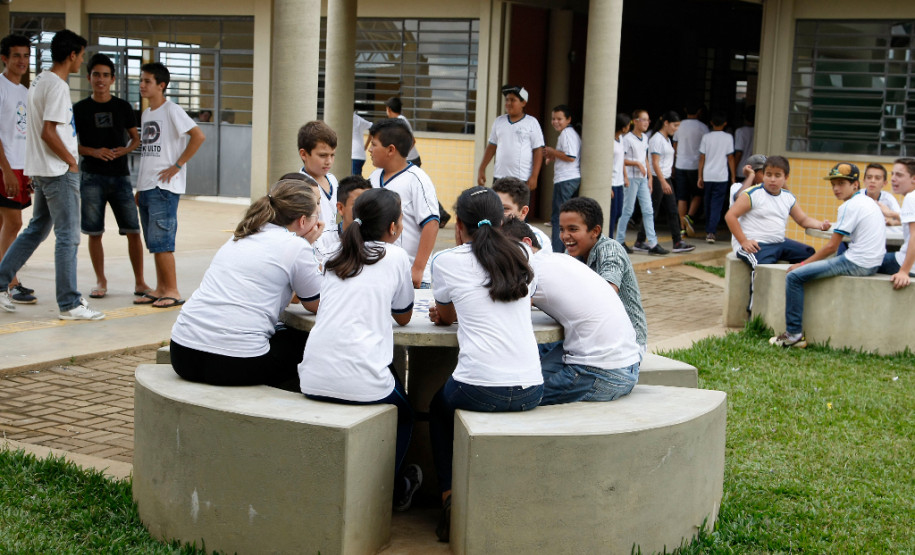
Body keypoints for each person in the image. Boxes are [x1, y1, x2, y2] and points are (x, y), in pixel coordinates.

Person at [428, 186, 543, 543]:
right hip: (531, 389)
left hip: (476, 388)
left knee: (437, 407)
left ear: (458, 227)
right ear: (503, 220)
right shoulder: (523, 252)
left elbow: (446, 316)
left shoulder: (447, 261)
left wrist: (443, 314)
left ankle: (448, 498)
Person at [298, 187, 421, 512]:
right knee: (406, 414)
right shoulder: (394, 256)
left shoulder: (336, 255)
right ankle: (392, 491)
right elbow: (404, 316)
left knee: (382, 369)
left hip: (312, 377)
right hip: (362, 383)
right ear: (393, 228)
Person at [170, 179, 323, 385]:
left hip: (182, 353)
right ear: (303, 221)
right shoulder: (296, 246)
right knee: (307, 344)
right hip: (235, 363)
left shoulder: (242, 234)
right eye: (317, 214)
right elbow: (316, 303)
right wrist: (307, 247)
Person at [0, 30, 103, 319]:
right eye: (81, 56)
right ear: (72, 55)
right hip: (58, 171)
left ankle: (0, 282)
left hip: (42, 169)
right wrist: (71, 161)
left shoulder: (39, 81)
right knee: (68, 237)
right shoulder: (57, 86)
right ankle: (69, 303)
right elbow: (48, 132)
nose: (81, 61)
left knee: (36, 230)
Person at [500, 218, 640, 406]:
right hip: (628, 365)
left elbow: (503, 316)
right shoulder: (560, 259)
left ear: (526, 244)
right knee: (526, 375)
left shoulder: (531, 272)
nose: (495, 259)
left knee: (509, 396)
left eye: (500, 251)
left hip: (601, 373)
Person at [770, 163, 885, 348]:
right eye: (833, 184)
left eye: (841, 183)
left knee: (793, 277)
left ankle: (793, 335)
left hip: (858, 263)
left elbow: (832, 247)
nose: (836, 188)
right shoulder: (867, 202)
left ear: (855, 185)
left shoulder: (849, 206)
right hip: (873, 261)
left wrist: (801, 265)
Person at [74, 53, 148, 300]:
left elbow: (135, 138)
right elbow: (72, 144)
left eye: (106, 75)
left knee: (133, 230)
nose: (101, 80)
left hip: (120, 177)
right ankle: (100, 280)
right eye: (96, 75)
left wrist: (124, 150)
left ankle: (140, 282)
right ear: (89, 77)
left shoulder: (123, 107)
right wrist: (93, 151)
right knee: (94, 232)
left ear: (113, 79)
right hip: (91, 177)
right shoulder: (79, 109)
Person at [135, 62, 205, 308]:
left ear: (161, 85)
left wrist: (178, 165)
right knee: (154, 242)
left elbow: (198, 136)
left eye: (147, 81)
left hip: (164, 188)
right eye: (141, 80)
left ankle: (172, 291)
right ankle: (160, 288)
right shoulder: (146, 114)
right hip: (147, 186)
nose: (142, 85)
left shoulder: (171, 110)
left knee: (163, 242)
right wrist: (140, 187)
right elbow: (148, 154)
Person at [725, 156, 829, 314]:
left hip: (779, 242)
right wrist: (744, 241)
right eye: (768, 174)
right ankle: (754, 312)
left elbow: (803, 219)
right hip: (757, 243)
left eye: (777, 175)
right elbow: (730, 216)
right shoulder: (752, 194)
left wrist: (821, 225)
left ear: (786, 177)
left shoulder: (788, 197)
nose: (772, 179)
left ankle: (798, 301)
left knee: (809, 254)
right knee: (762, 268)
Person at [559, 197, 648, 353]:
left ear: (595, 231)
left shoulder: (610, 250)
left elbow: (607, 292)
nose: (565, 236)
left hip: (626, 345)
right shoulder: (571, 253)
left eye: (573, 229)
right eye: (562, 229)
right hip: (592, 337)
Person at [367, 118, 439, 288]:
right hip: (380, 274)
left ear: (391, 150)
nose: (369, 149)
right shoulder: (373, 177)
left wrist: (418, 269)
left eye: (374, 144)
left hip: (409, 277)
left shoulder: (417, 179)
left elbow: (432, 224)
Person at [0, 34, 36, 305]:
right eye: (16, 56)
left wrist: (29, 171)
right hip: (6, 166)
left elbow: (26, 134)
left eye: (26, 55)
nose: (22, 61)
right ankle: (8, 281)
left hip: (21, 166)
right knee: (14, 224)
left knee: (5, 224)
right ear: (4, 58)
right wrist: (6, 170)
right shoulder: (0, 87)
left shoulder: (25, 92)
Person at [384, 96, 452, 228]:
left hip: (411, 160)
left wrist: (402, 155)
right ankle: (442, 214)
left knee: (419, 188)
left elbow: (412, 141)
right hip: (410, 158)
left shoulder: (400, 122)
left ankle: (441, 214)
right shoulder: (399, 121)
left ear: (389, 109)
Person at [637, 110, 694, 253]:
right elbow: (654, 163)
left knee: (672, 210)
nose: (676, 129)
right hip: (659, 178)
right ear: (666, 123)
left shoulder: (667, 139)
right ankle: (640, 240)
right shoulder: (657, 139)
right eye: (675, 125)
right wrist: (663, 182)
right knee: (653, 211)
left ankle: (677, 241)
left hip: (665, 178)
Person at [616, 109, 667, 255]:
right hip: (631, 178)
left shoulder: (645, 138)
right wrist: (636, 164)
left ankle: (653, 243)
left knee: (648, 210)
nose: (646, 123)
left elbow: (645, 158)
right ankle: (620, 240)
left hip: (643, 179)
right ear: (635, 121)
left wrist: (650, 176)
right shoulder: (627, 139)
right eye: (643, 119)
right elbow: (622, 160)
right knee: (627, 210)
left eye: (648, 120)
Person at [477, 85, 545, 190]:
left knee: (518, 206)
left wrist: (534, 176)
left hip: (521, 178)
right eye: (507, 100)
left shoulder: (532, 122)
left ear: (523, 103)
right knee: (498, 206)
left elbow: (538, 150)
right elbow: (492, 146)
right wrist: (481, 169)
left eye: (513, 100)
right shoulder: (499, 121)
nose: (508, 103)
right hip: (499, 177)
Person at [544, 104, 581, 252]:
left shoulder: (567, 134)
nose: (555, 122)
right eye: (553, 119)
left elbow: (570, 157)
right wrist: (554, 155)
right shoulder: (569, 133)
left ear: (568, 119)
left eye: (559, 119)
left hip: (565, 179)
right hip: (568, 179)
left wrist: (553, 151)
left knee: (558, 218)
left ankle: (557, 251)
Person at [311, 174, 372, 263]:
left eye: (369, 203)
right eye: (358, 203)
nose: (365, 209)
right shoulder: (322, 240)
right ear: (340, 208)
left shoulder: (380, 238)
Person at [876, 158, 915, 289]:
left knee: (857, 259)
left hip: (907, 265)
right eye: (892, 174)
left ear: (913, 178)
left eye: (899, 175)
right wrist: (894, 216)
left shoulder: (911, 198)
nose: (893, 178)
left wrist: (904, 271)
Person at [297, 120, 339, 241]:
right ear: (304, 154)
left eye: (332, 155)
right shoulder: (299, 187)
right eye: (322, 155)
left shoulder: (332, 179)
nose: (329, 161)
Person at [697, 111, 735, 243]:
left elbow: (702, 157)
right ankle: (711, 232)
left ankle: (709, 229)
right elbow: (730, 158)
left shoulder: (706, 137)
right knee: (716, 205)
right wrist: (733, 177)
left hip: (708, 175)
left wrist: (699, 176)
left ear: (711, 123)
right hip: (721, 176)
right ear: (725, 123)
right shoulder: (728, 137)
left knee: (707, 203)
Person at [673, 102, 709, 237]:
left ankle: (682, 227)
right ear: (699, 111)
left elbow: (675, 146)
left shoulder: (678, 125)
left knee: (681, 197)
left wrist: (673, 164)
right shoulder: (703, 127)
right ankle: (690, 216)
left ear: (685, 109)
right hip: (695, 165)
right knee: (698, 194)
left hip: (680, 164)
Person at [492, 176, 552, 253]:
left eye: (505, 209)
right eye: (494, 207)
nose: (497, 213)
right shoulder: (482, 233)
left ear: (523, 212)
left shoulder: (540, 241)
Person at [609, 113, 630, 239]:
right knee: (611, 214)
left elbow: (621, 160)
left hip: (619, 181)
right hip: (611, 182)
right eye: (628, 125)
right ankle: (610, 238)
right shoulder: (610, 142)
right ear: (623, 127)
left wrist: (625, 176)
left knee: (618, 212)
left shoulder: (621, 139)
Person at [351, 106, 372, 176]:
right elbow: (372, 127)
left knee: (354, 182)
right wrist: (366, 145)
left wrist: (366, 145)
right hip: (359, 154)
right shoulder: (358, 119)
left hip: (354, 155)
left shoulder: (350, 118)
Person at [734, 106, 755, 171]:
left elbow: (738, 153)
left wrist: (733, 169)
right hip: (754, 169)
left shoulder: (740, 131)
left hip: (741, 169)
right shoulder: (757, 131)